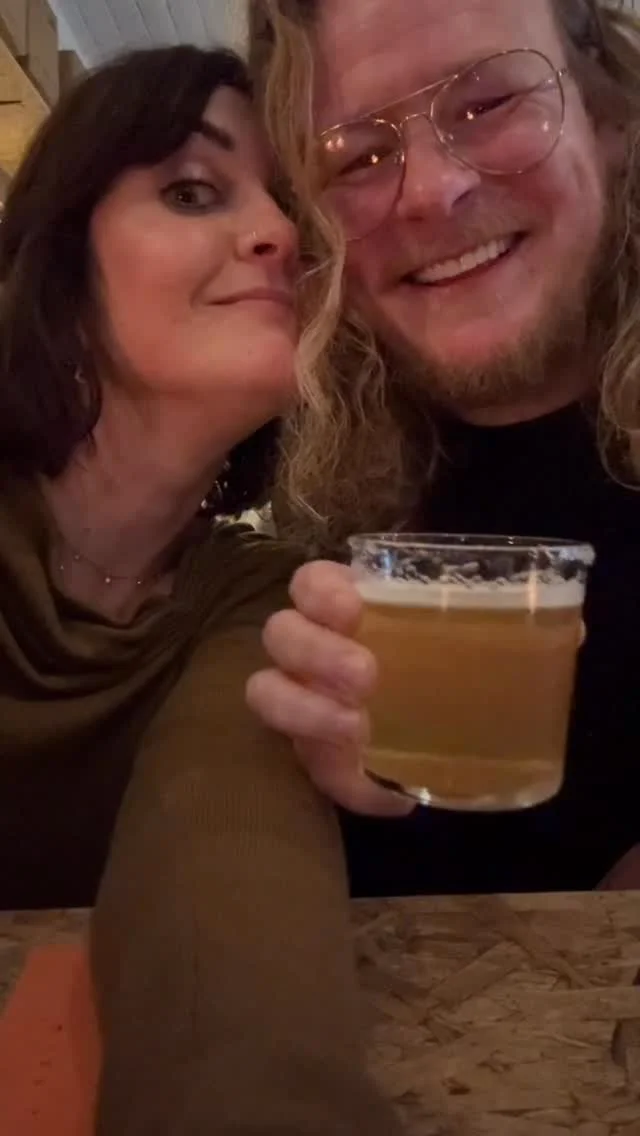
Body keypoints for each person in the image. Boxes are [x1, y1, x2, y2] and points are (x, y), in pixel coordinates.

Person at [0, 47, 402, 1135]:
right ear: (62, 263)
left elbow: (225, 881)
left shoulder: (258, 599)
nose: (280, 235)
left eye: (292, 208)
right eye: (191, 191)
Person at [246, 0, 640, 896]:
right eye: (358, 156)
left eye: (488, 103)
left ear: (610, 119)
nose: (430, 190)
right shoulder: (304, 528)